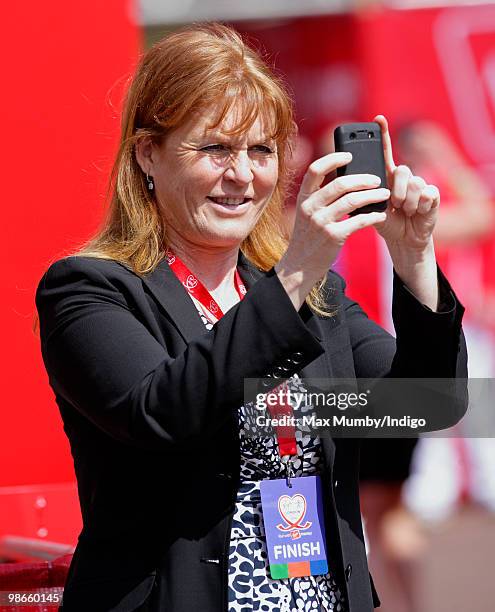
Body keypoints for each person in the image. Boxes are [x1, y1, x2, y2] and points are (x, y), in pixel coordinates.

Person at [35, 23, 468, 612]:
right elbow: (164, 413)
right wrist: (295, 272)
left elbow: (425, 405)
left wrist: (413, 254)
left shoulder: (312, 295)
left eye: (261, 150)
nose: (242, 175)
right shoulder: (90, 288)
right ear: (147, 155)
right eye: (214, 149)